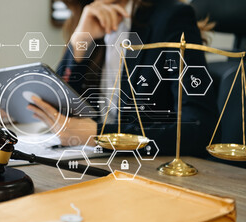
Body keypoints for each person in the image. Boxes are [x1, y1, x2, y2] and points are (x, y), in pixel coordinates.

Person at [27, 0, 218, 157]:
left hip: (147, 169)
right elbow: (59, 108)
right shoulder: (90, 18)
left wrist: (99, 135)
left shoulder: (172, 17)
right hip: (91, 160)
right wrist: (79, 42)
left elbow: (199, 128)